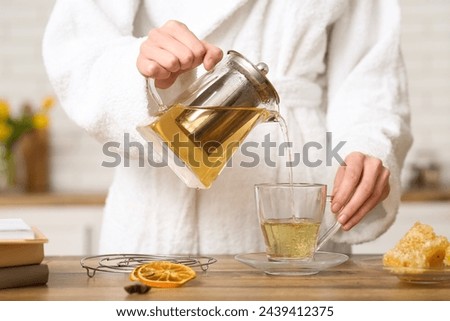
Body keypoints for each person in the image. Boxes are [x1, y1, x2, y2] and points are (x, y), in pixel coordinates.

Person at [42, 0, 412, 255]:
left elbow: (371, 75)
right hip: (157, 211)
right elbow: (77, 51)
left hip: (302, 181)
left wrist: (367, 147)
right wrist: (141, 67)